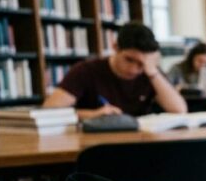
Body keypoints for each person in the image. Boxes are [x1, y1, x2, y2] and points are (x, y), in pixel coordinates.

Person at [43, 22, 187, 118]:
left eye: (141, 64)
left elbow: (179, 110)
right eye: (129, 59)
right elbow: (49, 111)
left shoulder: (150, 72)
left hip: (139, 146)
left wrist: (152, 72)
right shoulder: (86, 71)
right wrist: (91, 115)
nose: (133, 70)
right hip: (97, 147)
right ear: (115, 48)